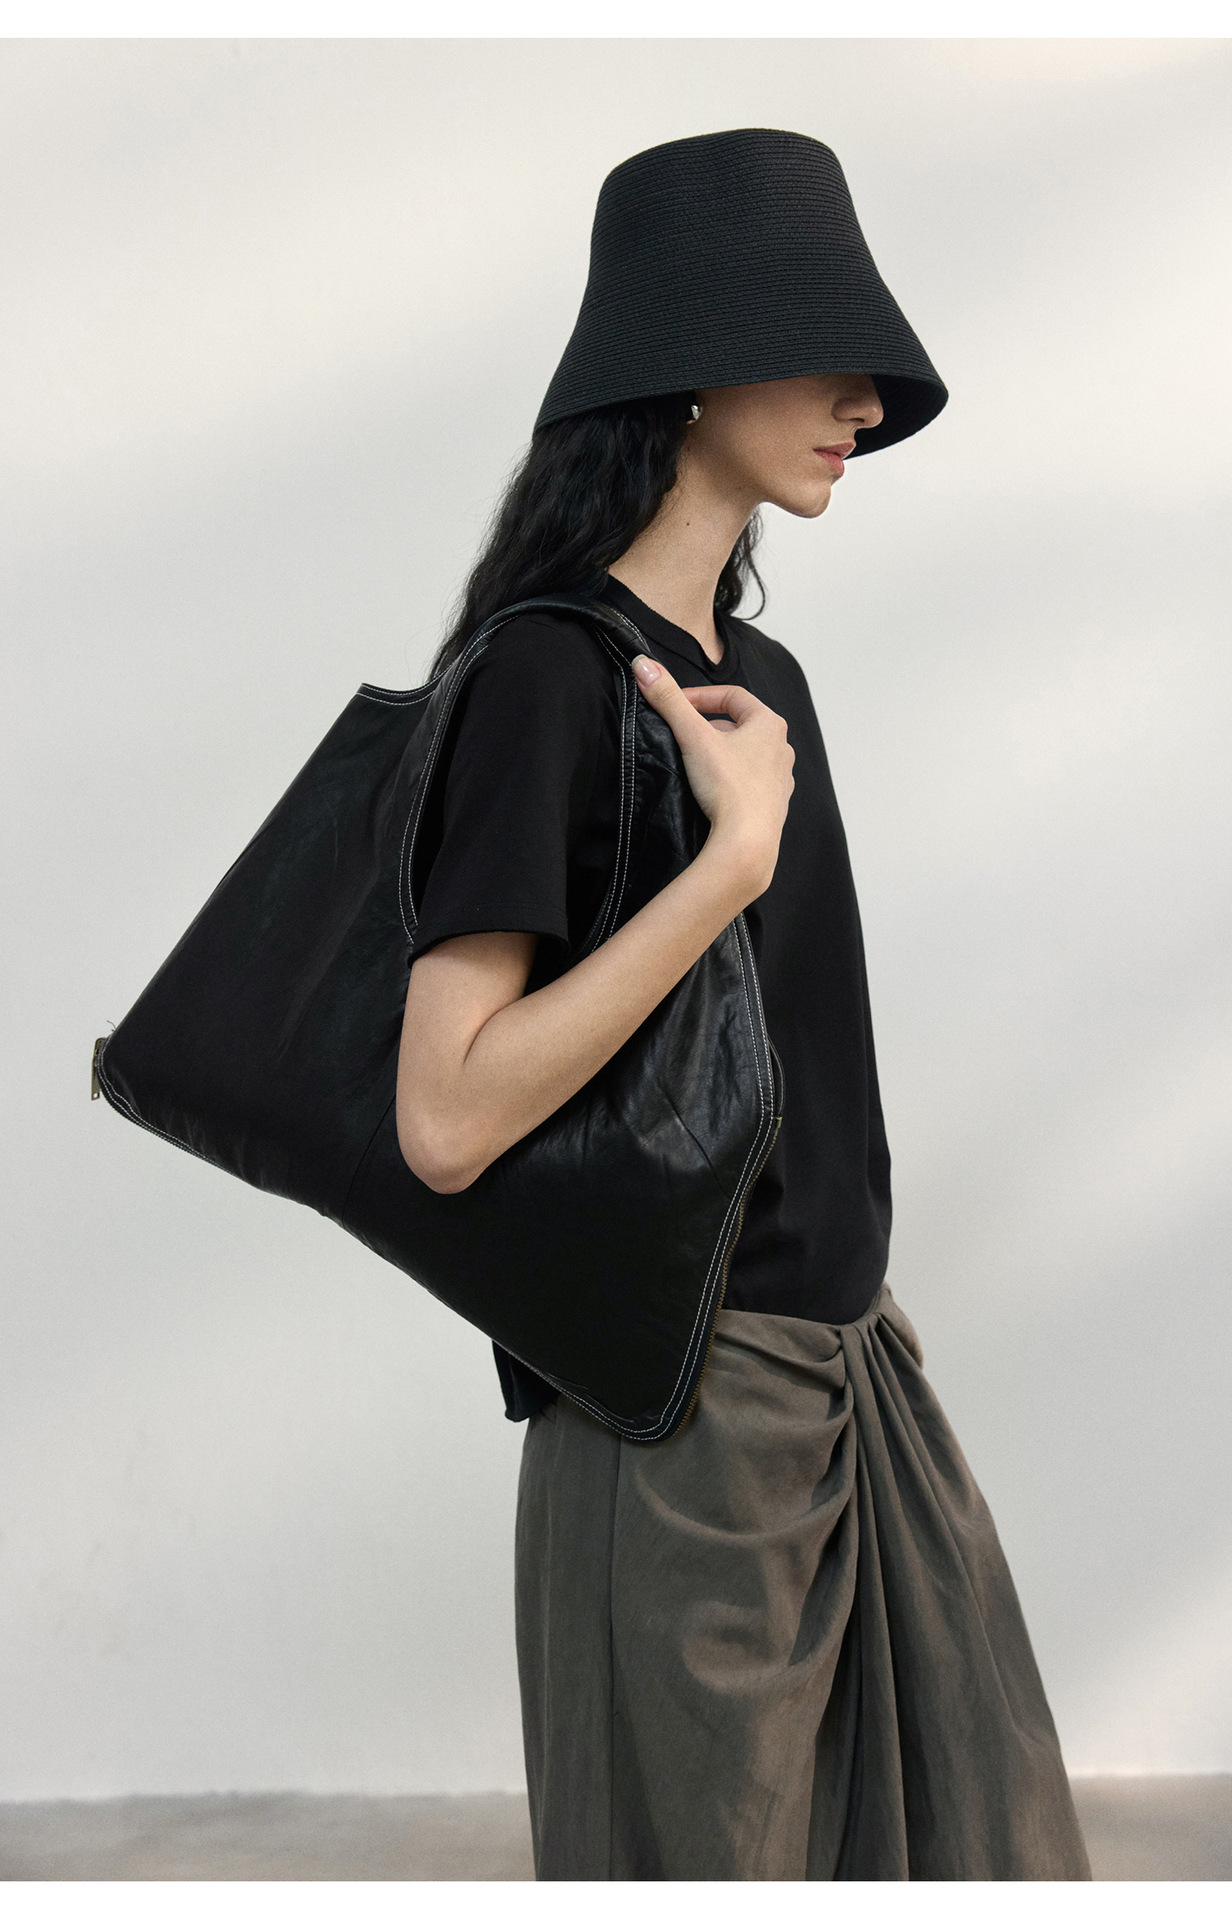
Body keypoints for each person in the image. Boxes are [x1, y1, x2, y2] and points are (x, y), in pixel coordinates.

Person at [395, 130, 1092, 1882]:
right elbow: (445, 1115)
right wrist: (728, 867)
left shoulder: (761, 680)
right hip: (678, 1420)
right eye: (823, 350)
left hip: (851, 1383)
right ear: (689, 365)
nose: (865, 403)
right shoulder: (545, 674)